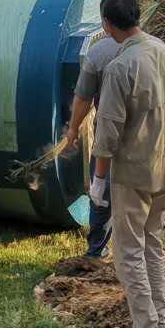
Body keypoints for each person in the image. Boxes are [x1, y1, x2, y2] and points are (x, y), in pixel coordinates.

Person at [90, 0, 165, 328]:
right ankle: (160, 322)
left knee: (129, 250)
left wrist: (99, 180)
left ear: (106, 24)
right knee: (152, 242)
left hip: (134, 172)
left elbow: (108, 132)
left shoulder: (119, 68)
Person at [60, 30, 122, 260]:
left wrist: (74, 128)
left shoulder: (100, 52)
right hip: (149, 136)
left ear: (106, 22)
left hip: (111, 133)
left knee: (102, 191)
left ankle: (97, 251)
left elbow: (83, 97)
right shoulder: (157, 49)